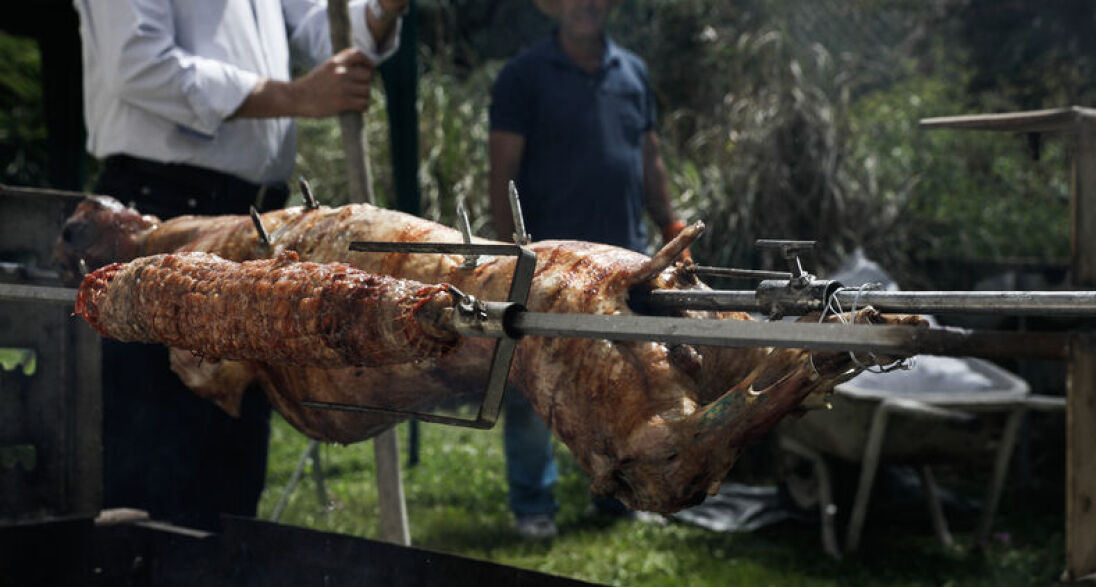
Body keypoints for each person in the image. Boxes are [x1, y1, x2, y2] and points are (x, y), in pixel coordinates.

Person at [73, 0, 408, 531]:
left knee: (231, 454)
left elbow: (332, 33)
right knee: (153, 465)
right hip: (159, 206)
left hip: (250, 219)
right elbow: (139, 64)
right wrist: (297, 97)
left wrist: (382, 12)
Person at [488, 0, 685, 539]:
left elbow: (650, 159)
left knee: (625, 384)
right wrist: (510, 254)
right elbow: (501, 168)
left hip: (624, 260)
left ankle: (620, 493)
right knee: (533, 385)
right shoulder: (522, 76)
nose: (586, 5)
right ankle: (533, 503)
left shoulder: (634, 73)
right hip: (548, 267)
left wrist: (669, 226)